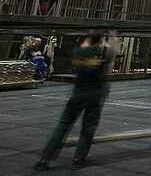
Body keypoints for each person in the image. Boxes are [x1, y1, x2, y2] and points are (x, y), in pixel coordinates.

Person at [34, 30, 110, 171]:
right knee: (88, 128)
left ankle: (44, 159)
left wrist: (89, 39)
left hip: (77, 94)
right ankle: (78, 159)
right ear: (99, 41)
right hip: (93, 95)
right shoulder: (103, 54)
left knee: (62, 126)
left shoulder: (78, 53)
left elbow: (83, 51)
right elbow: (110, 52)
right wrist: (102, 40)